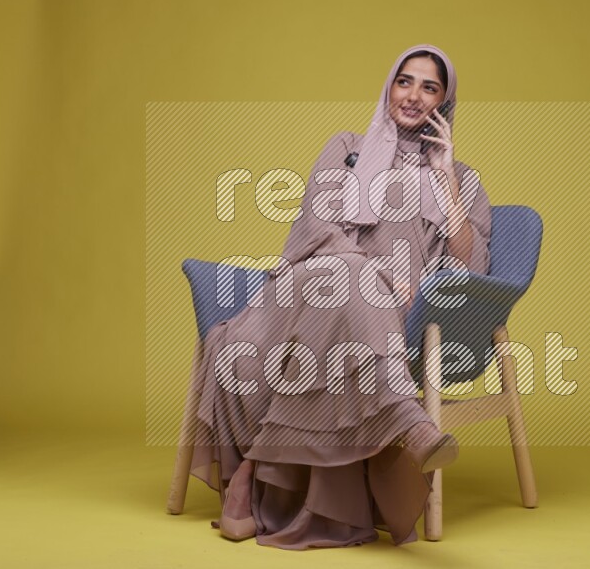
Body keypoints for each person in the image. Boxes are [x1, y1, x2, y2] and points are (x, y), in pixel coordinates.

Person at [186, 43, 492, 549]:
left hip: (380, 323)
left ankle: (250, 476)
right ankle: (407, 420)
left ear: (445, 101)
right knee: (346, 277)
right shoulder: (346, 148)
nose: (413, 96)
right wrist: (377, 275)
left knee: (351, 310)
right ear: (389, 87)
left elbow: (469, 267)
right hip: (307, 291)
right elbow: (318, 231)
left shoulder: (461, 180)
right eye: (405, 81)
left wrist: (445, 177)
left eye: (430, 87)